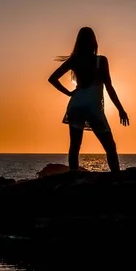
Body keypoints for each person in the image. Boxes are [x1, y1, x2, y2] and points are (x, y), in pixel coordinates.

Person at [48, 26, 129, 172]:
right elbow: (109, 87)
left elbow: (52, 79)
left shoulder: (74, 61)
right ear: (94, 42)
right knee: (110, 146)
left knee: (75, 146)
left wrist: (69, 93)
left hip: (76, 104)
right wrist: (120, 109)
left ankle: (73, 177)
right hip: (93, 107)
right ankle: (117, 178)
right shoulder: (101, 61)